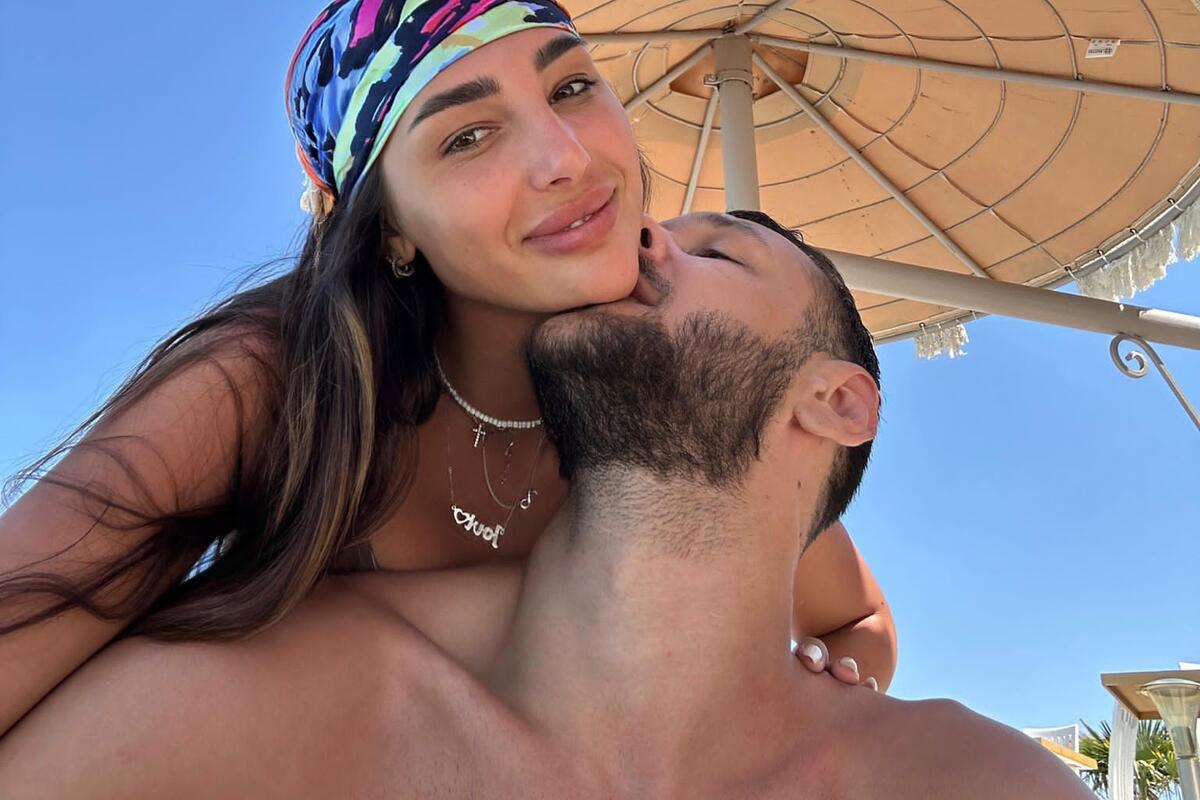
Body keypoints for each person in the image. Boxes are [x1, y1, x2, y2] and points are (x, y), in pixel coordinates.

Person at [0, 0, 893, 738]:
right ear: (391, 226)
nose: (568, 160)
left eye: (571, 87)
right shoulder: (283, 383)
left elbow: (856, 620)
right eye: (467, 138)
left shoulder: (669, 394)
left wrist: (808, 700)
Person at [0, 210, 1091, 799]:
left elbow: (855, 615)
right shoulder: (273, 699)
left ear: (837, 401)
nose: (645, 238)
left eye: (718, 250)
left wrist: (832, 668)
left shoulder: (970, 781)